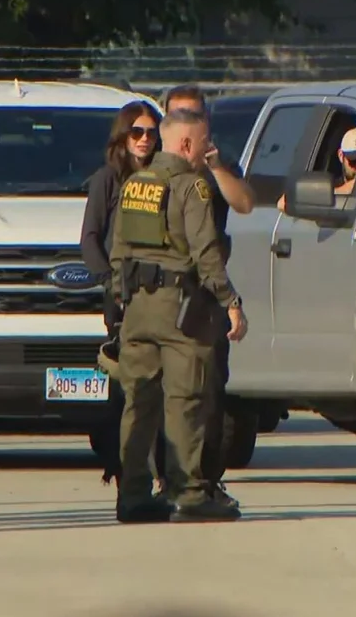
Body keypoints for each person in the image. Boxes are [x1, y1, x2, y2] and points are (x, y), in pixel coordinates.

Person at [110, 109, 248, 523]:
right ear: (187, 144)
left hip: (136, 309)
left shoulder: (135, 183)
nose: (210, 149)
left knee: (138, 402)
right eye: (205, 142)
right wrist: (231, 302)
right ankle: (188, 492)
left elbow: (119, 250)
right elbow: (206, 253)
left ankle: (132, 493)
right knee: (185, 399)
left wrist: (121, 300)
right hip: (179, 310)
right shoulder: (192, 187)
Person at [160, 85, 255, 508]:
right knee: (164, 392)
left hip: (206, 291)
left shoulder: (214, 166)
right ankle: (169, 478)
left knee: (212, 388)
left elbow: (245, 202)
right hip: (167, 290)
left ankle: (207, 478)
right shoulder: (155, 170)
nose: (191, 120)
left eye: (196, 114)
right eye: (182, 114)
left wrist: (215, 168)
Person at [81, 100, 162, 487]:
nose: (145, 140)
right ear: (123, 135)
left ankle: (162, 469)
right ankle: (123, 465)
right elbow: (90, 239)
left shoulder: (165, 176)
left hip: (159, 296)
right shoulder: (108, 179)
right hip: (121, 295)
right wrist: (110, 282)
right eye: (137, 132)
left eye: (151, 132)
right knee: (126, 388)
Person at [275, 127, 356, 212]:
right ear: (341, 156)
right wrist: (345, 191)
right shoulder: (330, 185)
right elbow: (283, 203)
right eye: (354, 161)